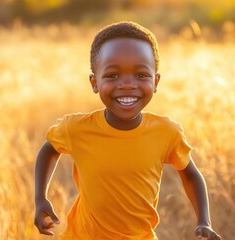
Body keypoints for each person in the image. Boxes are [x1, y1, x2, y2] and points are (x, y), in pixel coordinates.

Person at [34, 21, 221, 240]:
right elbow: (49, 149)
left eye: (141, 75)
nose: (127, 84)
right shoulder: (76, 128)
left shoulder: (167, 133)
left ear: (156, 81)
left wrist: (204, 221)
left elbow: (190, 175)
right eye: (113, 75)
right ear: (94, 82)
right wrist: (40, 198)